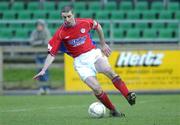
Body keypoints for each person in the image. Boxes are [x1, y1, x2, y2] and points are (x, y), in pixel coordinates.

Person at [33, 6, 136, 117]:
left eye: (69, 16)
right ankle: (113, 110)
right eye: (64, 17)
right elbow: (51, 54)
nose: (66, 19)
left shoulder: (85, 22)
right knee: (97, 89)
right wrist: (44, 69)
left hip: (93, 54)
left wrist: (103, 43)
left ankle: (128, 95)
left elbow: (98, 26)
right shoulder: (60, 33)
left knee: (109, 71)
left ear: (73, 15)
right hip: (80, 63)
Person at [30, 19, 51, 95]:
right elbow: (31, 42)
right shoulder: (34, 32)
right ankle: (41, 88)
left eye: (40, 25)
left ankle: (47, 88)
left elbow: (48, 41)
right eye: (37, 25)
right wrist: (41, 42)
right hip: (38, 54)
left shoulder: (46, 31)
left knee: (46, 72)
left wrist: (39, 42)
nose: (39, 26)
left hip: (45, 55)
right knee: (38, 72)